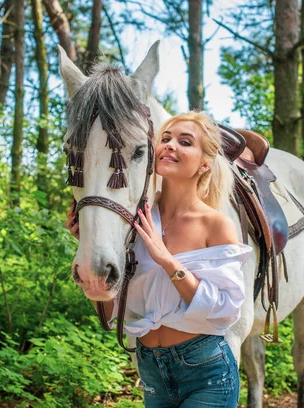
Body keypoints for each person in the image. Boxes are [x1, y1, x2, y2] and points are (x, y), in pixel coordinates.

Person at [67, 111, 252, 407]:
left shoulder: (216, 224)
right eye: (165, 138)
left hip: (207, 372)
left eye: (185, 141)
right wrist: (90, 247)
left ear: (205, 163)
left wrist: (168, 261)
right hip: (151, 371)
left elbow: (225, 311)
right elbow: (114, 310)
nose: (170, 145)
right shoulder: (135, 223)